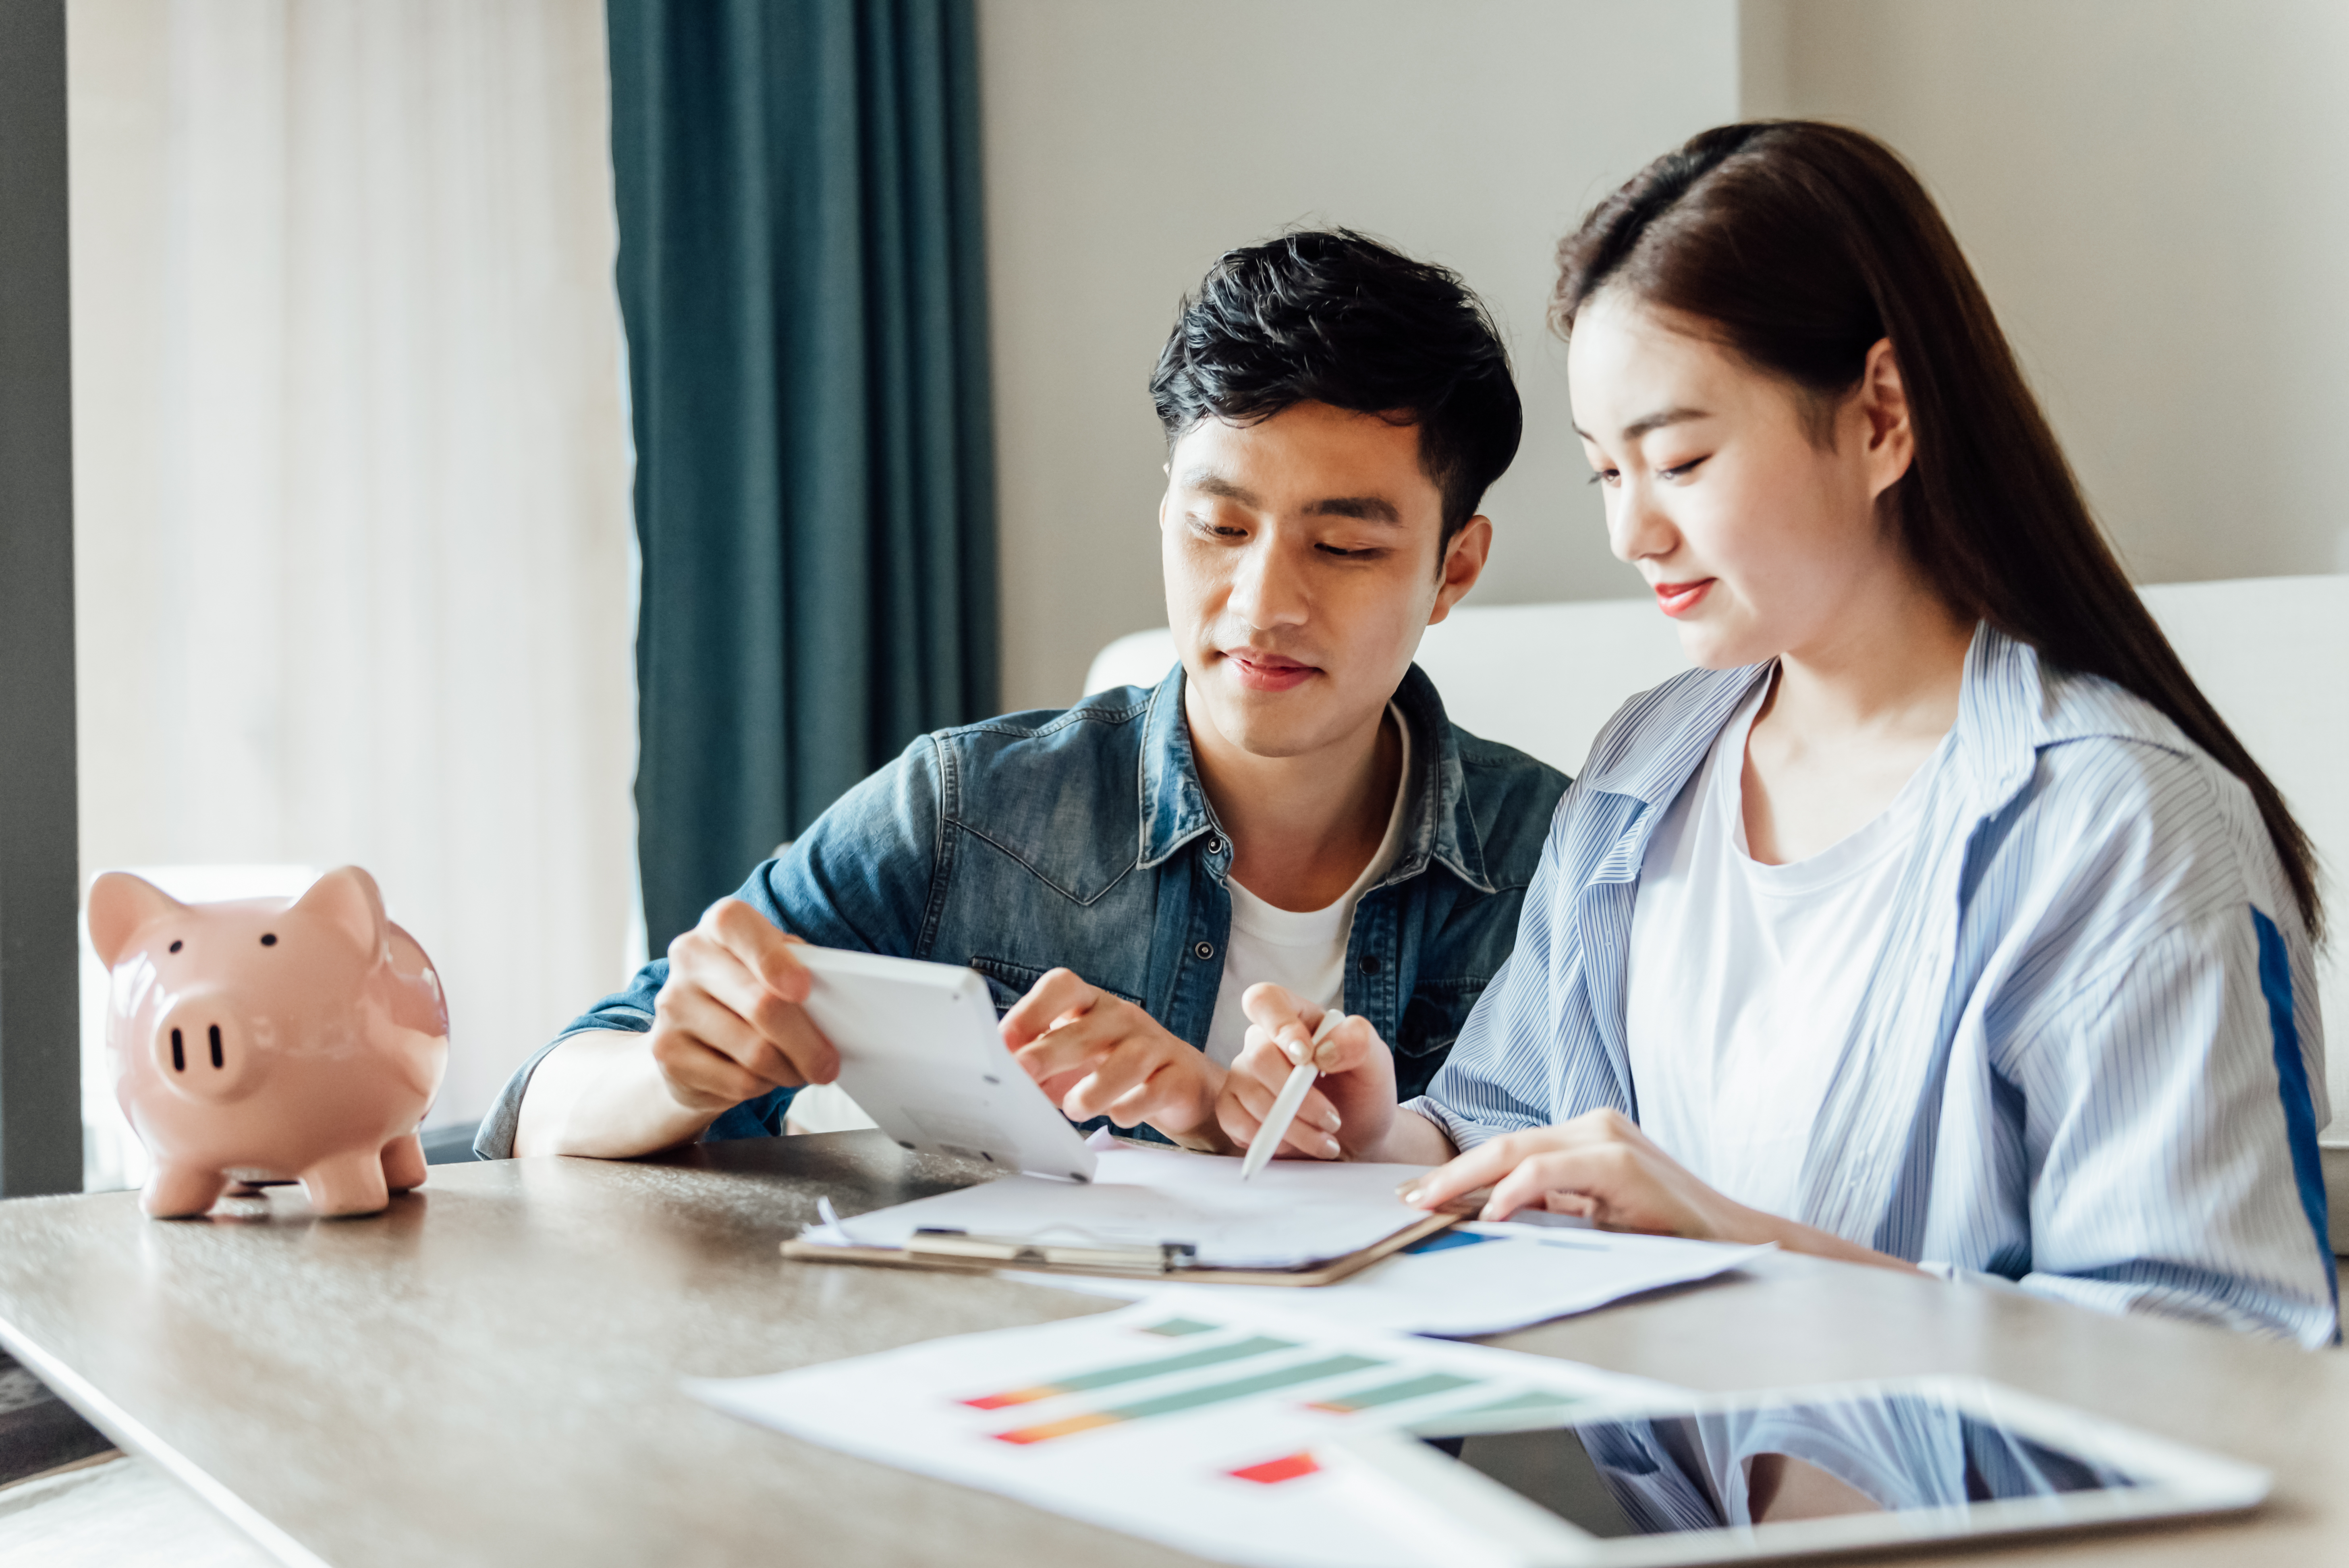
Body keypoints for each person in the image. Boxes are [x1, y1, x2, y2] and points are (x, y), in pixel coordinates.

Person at [1223, 123, 2337, 1346]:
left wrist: (1746, 1253)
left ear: (1882, 415)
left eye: (1681, 459)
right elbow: (1513, 1118)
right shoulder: (1647, 771)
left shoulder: (2124, 824)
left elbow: (2215, 1361)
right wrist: (1383, 1133)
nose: (1632, 535)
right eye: (1607, 474)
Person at [474, 230, 1569, 1161]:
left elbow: (1624, 1200)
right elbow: (551, 1092)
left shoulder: (1567, 860)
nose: (1261, 600)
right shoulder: (970, 812)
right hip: (1003, 1396)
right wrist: (685, 1072)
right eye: (1219, 527)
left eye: (1340, 545)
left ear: (1455, 569)